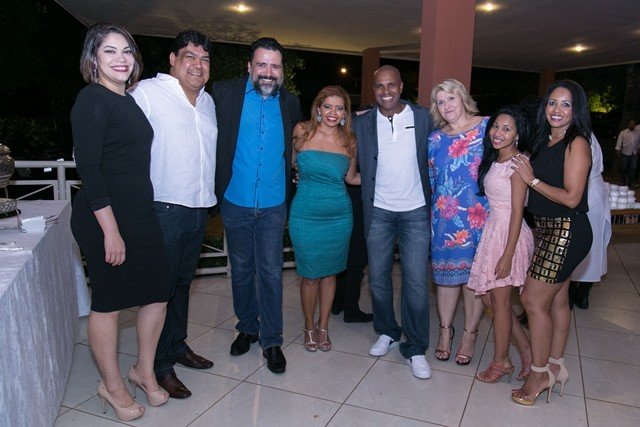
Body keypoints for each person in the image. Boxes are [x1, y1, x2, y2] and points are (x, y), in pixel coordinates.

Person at [70, 22, 169, 421]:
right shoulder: (91, 99)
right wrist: (110, 231)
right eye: (109, 51)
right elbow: (89, 170)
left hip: (139, 214)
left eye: (126, 50)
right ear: (93, 59)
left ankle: (143, 370)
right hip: (104, 218)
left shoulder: (126, 99)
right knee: (108, 303)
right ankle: (111, 386)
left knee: (158, 292)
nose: (121, 58)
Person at [129, 29, 217, 399]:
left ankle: (177, 346)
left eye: (204, 59)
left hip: (198, 208)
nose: (198, 64)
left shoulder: (208, 102)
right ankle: (159, 366)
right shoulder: (147, 93)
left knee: (182, 284)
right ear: (173, 59)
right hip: (163, 208)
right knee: (160, 291)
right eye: (190, 56)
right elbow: (121, 140)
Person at [212, 37, 302, 374]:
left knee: (271, 272)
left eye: (274, 66)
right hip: (234, 200)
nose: (268, 72)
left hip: (273, 203)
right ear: (249, 66)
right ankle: (247, 327)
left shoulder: (290, 102)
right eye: (262, 64)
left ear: (282, 71)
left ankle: (272, 340)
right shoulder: (224, 94)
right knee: (241, 269)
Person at [511, 80, 593, 406]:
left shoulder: (577, 143)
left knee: (532, 301)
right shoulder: (545, 139)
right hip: (547, 229)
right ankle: (556, 365)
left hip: (567, 231)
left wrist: (531, 179)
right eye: (552, 103)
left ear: (576, 110)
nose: (557, 110)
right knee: (557, 301)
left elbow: (572, 198)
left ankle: (538, 374)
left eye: (566, 104)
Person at [353, 65, 433, 379]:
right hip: (379, 212)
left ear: (401, 87)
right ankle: (387, 330)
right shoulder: (362, 122)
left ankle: (415, 346)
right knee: (378, 280)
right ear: (373, 90)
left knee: (416, 283)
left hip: (416, 212)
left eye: (391, 85)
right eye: (379, 86)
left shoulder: (424, 117)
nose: (385, 91)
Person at [289, 85, 360, 352]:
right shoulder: (302, 131)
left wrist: (384, 180)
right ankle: (308, 326)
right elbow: (292, 164)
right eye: (328, 106)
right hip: (305, 214)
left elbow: (351, 178)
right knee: (310, 275)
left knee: (330, 274)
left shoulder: (349, 141)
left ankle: (323, 326)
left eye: (339, 108)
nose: (333, 112)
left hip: (339, 216)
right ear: (318, 108)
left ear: (345, 113)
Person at [467, 106, 534, 383]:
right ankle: (527, 350)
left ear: (517, 135)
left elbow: (518, 212)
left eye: (507, 129)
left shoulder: (517, 163)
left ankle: (500, 362)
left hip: (509, 234)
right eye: (496, 126)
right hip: (495, 230)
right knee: (489, 299)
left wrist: (508, 254)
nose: (498, 133)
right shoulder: (497, 159)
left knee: (501, 303)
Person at [428, 78, 489, 366]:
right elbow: (432, 181)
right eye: (440, 102)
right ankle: (445, 331)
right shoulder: (435, 139)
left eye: (450, 98)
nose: (446, 106)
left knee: (473, 280)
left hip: (479, 216)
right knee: (445, 278)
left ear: (463, 98)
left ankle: (469, 334)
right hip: (445, 219)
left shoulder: (487, 128)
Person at [569, 133, 612, 309]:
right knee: (593, 246)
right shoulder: (588, 134)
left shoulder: (579, 137)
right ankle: (582, 293)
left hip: (586, 193)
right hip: (592, 191)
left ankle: (575, 294)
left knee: (580, 244)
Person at [615, 120, 638, 186]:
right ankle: (623, 181)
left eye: (634, 124)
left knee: (633, 168)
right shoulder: (623, 133)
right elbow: (619, 142)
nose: (633, 125)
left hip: (634, 152)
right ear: (628, 124)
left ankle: (631, 182)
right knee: (624, 168)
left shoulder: (637, 133)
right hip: (625, 152)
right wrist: (618, 150)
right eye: (632, 124)